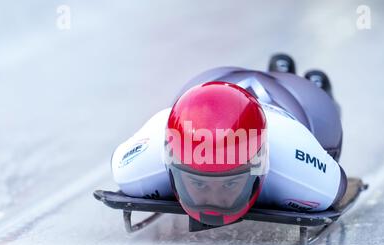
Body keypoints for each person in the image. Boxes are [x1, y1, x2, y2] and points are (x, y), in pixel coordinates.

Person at [111, 54, 347, 227]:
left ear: (262, 164)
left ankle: (315, 89)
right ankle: (295, 77)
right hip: (210, 89)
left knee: (323, 120)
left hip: (294, 108)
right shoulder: (141, 161)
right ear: (168, 163)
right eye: (199, 183)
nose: (214, 201)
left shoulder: (300, 169)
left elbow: (336, 185)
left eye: (230, 184)